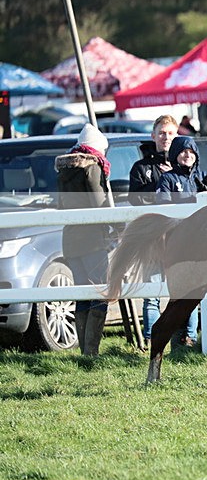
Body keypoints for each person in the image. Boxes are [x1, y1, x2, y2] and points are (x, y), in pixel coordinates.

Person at [155, 136, 207, 346]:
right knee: (182, 290)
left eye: (191, 151)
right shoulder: (168, 179)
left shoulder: (202, 176)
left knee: (201, 287)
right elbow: (163, 207)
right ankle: (177, 336)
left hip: (203, 245)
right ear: (175, 155)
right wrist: (192, 201)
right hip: (178, 244)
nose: (187, 155)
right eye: (182, 151)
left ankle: (191, 336)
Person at [55, 124, 111, 356]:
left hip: (71, 240)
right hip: (92, 240)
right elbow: (100, 206)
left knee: (82, 295)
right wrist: (119, 225)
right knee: (100, 293)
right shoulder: (92, 167)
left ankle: (85, 353)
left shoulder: (65, 169)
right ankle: (92, 352)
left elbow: (60, 205)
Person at [128, 115, 182, 347]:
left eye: (170, 133)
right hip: (152, 238)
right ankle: (151, 339)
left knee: (182, 290)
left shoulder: (184, 165)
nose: (165, 137)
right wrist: (161, 185)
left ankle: (184, 338)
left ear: (176, 135)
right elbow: (135, 199)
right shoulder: (141, 168)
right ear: (153, 136)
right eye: (161, 133)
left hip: (180, 239)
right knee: (152, 293)